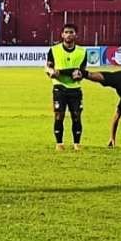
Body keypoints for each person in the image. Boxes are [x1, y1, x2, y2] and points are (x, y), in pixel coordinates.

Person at [45, 23, 86, 151]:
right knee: (59, 115)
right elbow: (49, 67)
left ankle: (77, 144)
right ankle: (59, 143)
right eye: (66, 32)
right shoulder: (54, 50)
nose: (69, 34)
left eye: (71, 32)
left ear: (76, 35)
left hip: (75, 89)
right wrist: (51, 72)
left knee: (76, 116)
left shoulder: (82, 52)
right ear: (62, 34)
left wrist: (79, 75)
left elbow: (82, 71)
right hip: (59, 87)